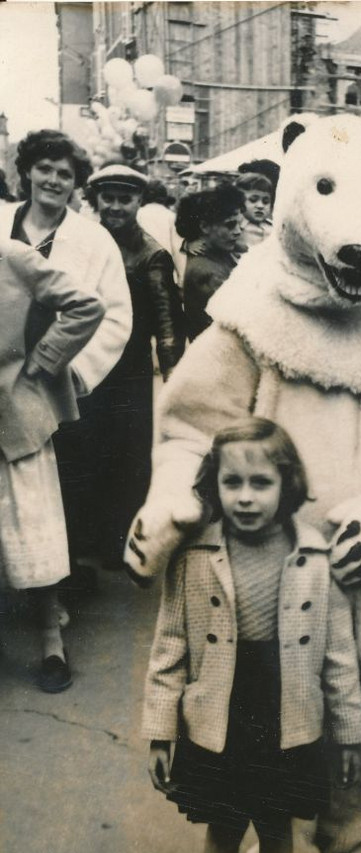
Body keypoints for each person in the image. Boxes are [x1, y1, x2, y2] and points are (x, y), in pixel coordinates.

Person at [143, 419, 361, 853]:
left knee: (276, 824)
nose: (245, 497)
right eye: (231, 482)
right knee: (222, 826)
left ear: (287, 485)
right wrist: (161, 728)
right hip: (219, 712)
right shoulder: (193, 555)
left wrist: (347, 735)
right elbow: (170, 645)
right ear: (212, 485)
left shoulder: (317, 558)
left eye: (261, 483)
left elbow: (339, 656)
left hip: (287, 711)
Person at [0, 129, 132, 606]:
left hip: (58, 382)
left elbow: (115, 313)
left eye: (64, 174)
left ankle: (58, 582)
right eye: (45, 169)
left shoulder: (93, 241)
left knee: (63, 483)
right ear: (28, 172)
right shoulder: (1, 223)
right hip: (3, 381)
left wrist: (75, 370)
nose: (53, 180)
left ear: (76, 184)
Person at [0, 239, 105, 691]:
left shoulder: (12, 256)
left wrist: (42, 362)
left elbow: (87, 305)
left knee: (32, 528)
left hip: (15, 419)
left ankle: (50, 641)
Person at [84, 164, 185, 567]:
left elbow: (166, 324)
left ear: (139, 202)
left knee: (127, 456)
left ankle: (121, 543)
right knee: (88, 449)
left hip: (130, 372)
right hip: (88, 366)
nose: (115, 206)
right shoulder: (86, 243)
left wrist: (174, 378)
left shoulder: (151, 254)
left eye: (125, 198)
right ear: (96, 200)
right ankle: (88, 538)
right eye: (108, 198)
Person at [176, 185, 246, 341]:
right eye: (230, 225)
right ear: (205, 227)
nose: (238, 231)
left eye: (238, 224)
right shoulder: (205, 271)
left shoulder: (218, 252)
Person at [138, 178, 185, 287]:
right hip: (166, 272)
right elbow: (178, 248)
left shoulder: (138, 214)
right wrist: (181, 278)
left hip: (141, 270)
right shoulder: (171, 217)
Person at [233, 172, 273, 247]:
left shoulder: (273, 227)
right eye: (253, 200)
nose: (260, 206)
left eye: (265, 202)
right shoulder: (236, 228)